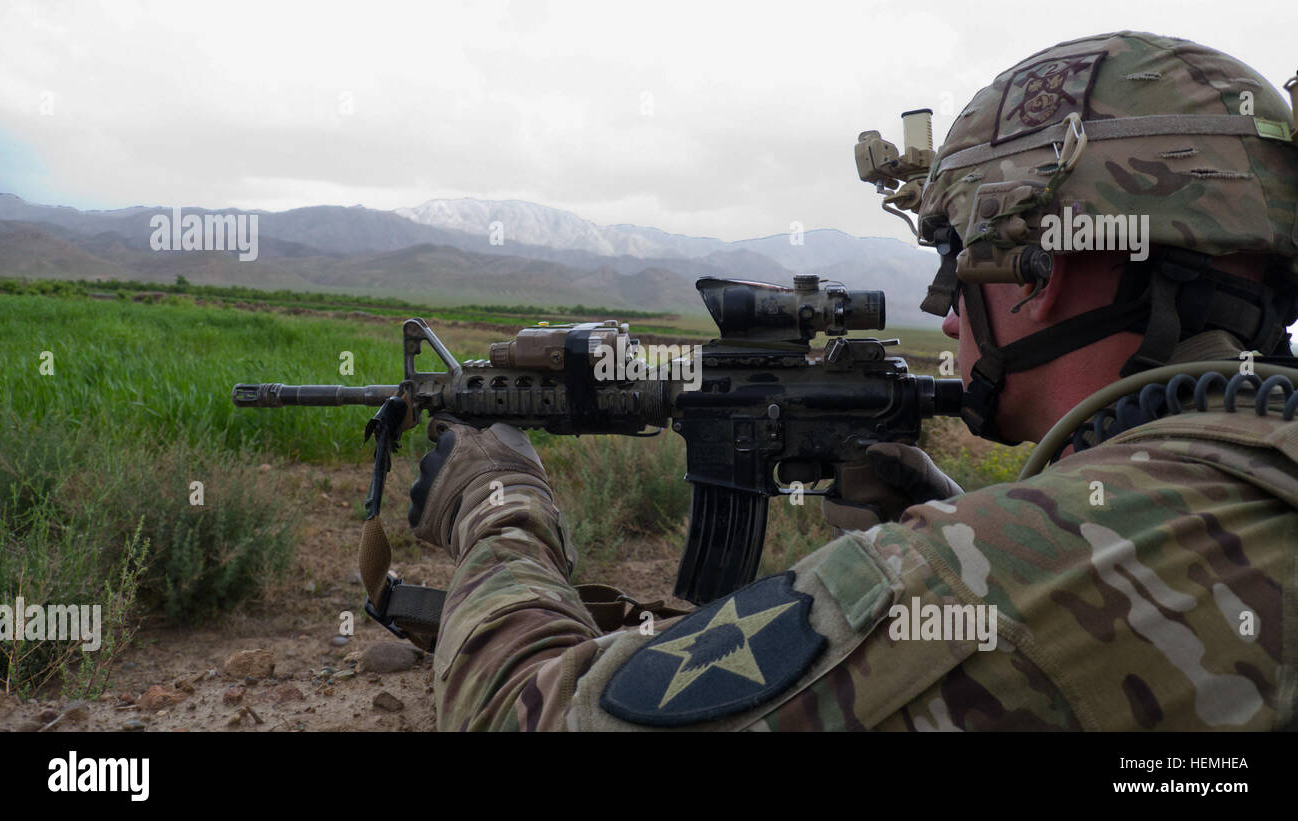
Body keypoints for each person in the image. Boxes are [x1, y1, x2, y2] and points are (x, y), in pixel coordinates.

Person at [406, 31, 1298, 731]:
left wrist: (498, 508)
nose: (946, 312)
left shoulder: (983, 576)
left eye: (955, 255)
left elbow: (517, 717)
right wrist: (953, 513)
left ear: (1039, 270)